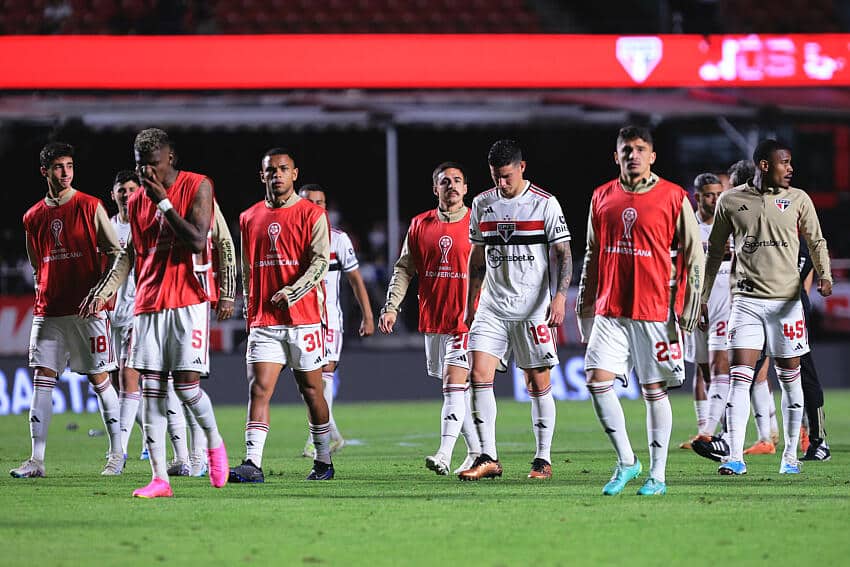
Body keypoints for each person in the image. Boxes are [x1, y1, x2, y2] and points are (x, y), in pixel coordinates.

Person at [82, 128, 230, 497]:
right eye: (140, 165)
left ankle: (213, 441)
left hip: (188, 299)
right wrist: (104, 291)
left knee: (187, 387)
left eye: (152, 163)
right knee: (152, 390)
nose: (146, 171)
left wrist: (163, 202)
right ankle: (160, 477)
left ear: (171, 159)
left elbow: (197, 239)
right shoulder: (135, 202)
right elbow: (131, 256)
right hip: (147, 304)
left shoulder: (198, 186)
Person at [577, 126, 704, 496]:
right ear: (616, 156)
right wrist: (586, 303)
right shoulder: (601, 196)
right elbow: (592, 253)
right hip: (611, 307)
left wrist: (689, 306)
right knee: (597, 381)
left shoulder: (674, 196)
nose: (633, 155)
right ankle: (627, 461)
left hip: (655, 310)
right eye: (626, 149)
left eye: (640, 149)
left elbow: (694, 254)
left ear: (652, 156)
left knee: (653, 390)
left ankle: (658, 476)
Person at [700, 139, 832, 476]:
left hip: (786, 305)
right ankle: (734, 456)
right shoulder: (731, 200)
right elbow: (715, 251)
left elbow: (816, 240)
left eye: (790, 162)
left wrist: (825, 274)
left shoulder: (798, 199)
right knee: (739, 377)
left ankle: (789, 455)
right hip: (746, 302)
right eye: (784, 162)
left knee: (790, 380)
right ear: (763, 165)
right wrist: (702, 296)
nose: (790, 169)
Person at [460, 140, 572, 481]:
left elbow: (563, 253)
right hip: (492, 306)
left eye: (507, 176)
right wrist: (470, 302)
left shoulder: (544, 203)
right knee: (478, 375)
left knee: (537, 383)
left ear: (522, 168)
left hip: (532, 310)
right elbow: (477, 257)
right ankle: (488, 457)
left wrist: (560, 297)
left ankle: (542, 459)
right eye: (496, 176)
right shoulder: (482, 203)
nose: (501, 183)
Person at [12, 142, 124, 478]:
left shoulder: (90, 206)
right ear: (44, 171)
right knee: (42, 378)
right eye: (59, 167)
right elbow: (37, 265)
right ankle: (36, 460)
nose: (66, 173)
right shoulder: (32, 217)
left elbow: (116, 253)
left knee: (99, 378)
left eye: (70, 166)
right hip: (49, 310)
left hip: (87, 311)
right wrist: (43, 289)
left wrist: (102, 293)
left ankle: (116, 454)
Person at [229, 148, 334, 483]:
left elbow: (320, 263)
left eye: (283, 169)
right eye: (271, 170)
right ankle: (252, 463)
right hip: (265, 320)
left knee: (312, 391)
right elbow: (247, 269)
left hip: (304, 319)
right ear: (262, 175)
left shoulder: (312, 214)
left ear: (294, 174)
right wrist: (249, 309)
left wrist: (293, 291)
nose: (277, 175)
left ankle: (323, 460)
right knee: (259, 389)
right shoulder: (248, 217)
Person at [378, 162, 483, 476]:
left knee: (453, 384)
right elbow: (404, 269)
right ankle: (478, 453)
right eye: (445, 181)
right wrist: (391, 306)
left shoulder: (479, 224)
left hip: (469, 320)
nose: (452, 186)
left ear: (466, 189)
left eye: (457, 180)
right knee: (455, 389)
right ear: (435, 189)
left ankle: (444, 454)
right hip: (434, 318)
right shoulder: (419, 225)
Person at [299, 184, 375, 458]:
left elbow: (355, 279)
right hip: (300, 318)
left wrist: (368, 315)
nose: (315, 207)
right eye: (309, 202)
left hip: (329, 319)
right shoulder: (291, 237)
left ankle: (315, 439)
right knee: (307, 383)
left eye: (320, 202)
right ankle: (333, 435)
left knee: (325, 375)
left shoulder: (338, 239)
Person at [681, 173, 728, 450]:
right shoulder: (688, 227)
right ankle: (709, 429)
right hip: (694, 306)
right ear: (697, 197)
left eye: (719, 194)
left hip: (725, 304)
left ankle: (715, 432)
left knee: (720, 365)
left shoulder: (730, 224)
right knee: (704, 369)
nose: (715, 200)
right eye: (710, 195)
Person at [106, 170, 144, 461]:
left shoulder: (146, 224)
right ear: (113, 194)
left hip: (138, 312)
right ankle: (151, 436)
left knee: (129, 376)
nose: (127, 194)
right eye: (122, 189)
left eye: (132, 189)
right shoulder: (106, 227)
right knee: (120, 384)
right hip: (112, 316)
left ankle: (119, 451)